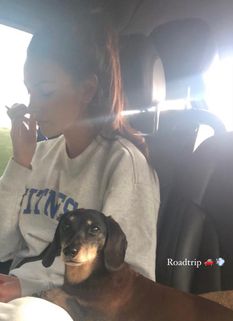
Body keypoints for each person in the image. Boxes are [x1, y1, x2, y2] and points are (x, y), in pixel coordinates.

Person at [0, 11, 160, 303]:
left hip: (77, 305)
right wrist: (19, 163)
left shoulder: (124, 163)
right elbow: (2, 247)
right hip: (17, 295)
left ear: (87, 89)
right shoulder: (40, 155)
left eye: (45, 92)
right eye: (29, 91)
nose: (33, 107)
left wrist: (29, 286)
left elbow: (126, 273)